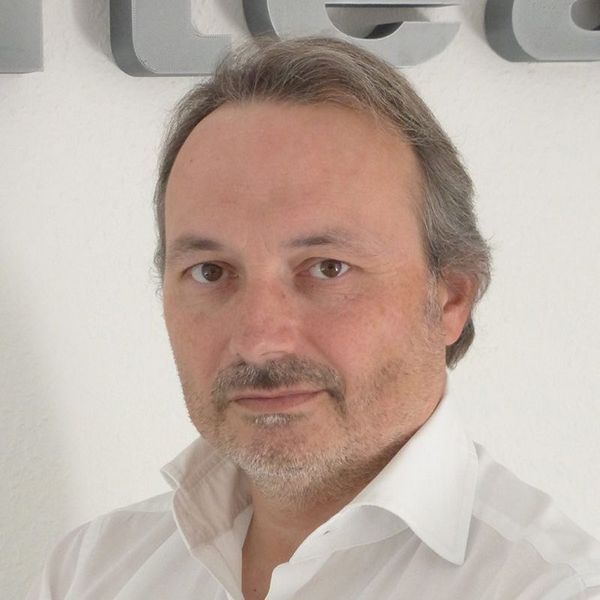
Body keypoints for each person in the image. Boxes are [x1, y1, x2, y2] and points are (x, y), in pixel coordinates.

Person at [28, 37, 600, 600]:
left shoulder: (550, 589)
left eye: (328, 268)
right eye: (210, 271)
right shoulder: (90, 573)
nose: (259, 340)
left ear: (450, 298)